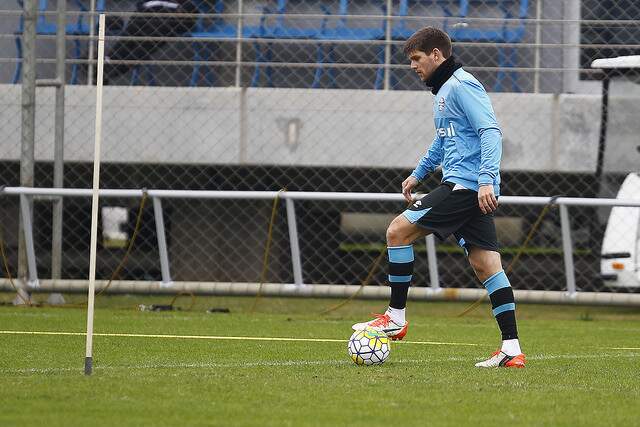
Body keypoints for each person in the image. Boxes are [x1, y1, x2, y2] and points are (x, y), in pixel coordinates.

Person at [352, 27, 525, 368]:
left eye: (416, 59)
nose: (413, 66)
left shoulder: (462, 85)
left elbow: (490, 131)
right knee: (486, 266)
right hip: (465, 186)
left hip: (466, 187)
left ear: (436, 55)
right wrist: (418, 173)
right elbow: (444, 141)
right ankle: (511, 349)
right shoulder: (443, 90)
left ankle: (396, 317)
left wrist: (487, 178)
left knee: (397, 231)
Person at [104, 0, 198, 83]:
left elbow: (190, 13)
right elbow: (143, 5)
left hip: (166, 21)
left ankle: (109, 70)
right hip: (148, 14)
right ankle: (108, 62)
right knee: (131, 34)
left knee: (143, 46)